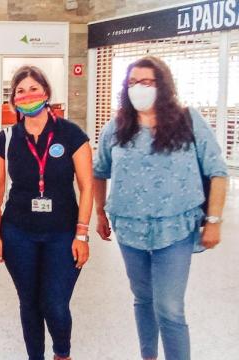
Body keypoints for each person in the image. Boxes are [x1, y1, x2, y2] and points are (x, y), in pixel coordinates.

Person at [93, 56, 228, 360]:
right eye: (133, 82)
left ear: (163, 85)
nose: (139, 88)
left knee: (168, 307)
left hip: (176, 228)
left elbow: (217, 171)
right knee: (143, 299)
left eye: (147, 82)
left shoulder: (188, 120)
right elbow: (99, 171)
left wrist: (215, 220)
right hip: (130, 229)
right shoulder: (116, 127)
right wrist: (99, 211)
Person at [0, 66, 92, 360]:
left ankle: (62, 353)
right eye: (20, 91)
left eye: (34, 88)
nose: (28, 95)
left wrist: (82, 234)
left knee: (55, 304)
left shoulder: (72, 135)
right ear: (13, 100)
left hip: (63, 232)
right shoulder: (6, 139)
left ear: (46, 93)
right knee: (29, 303)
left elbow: (87, 187)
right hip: (18, 232)